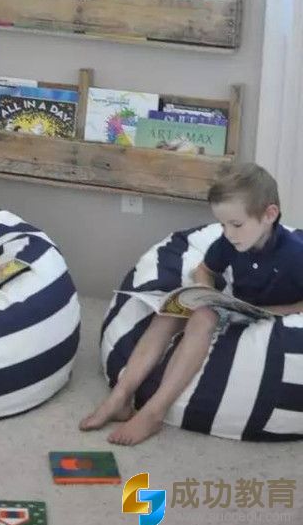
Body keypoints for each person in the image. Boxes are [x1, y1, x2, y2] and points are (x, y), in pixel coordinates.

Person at [80, 162, 303, 445]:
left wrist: (276, 311)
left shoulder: (295, 254)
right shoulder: (230, 242)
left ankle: (154, 412)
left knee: (202, 318)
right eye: (222, 225)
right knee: (169, 312)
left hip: (271, 318)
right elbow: (204, 269)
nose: (229, 233)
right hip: (237, 305)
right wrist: (204, 291)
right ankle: (121, 396)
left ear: (269, 215)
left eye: (236, 224)